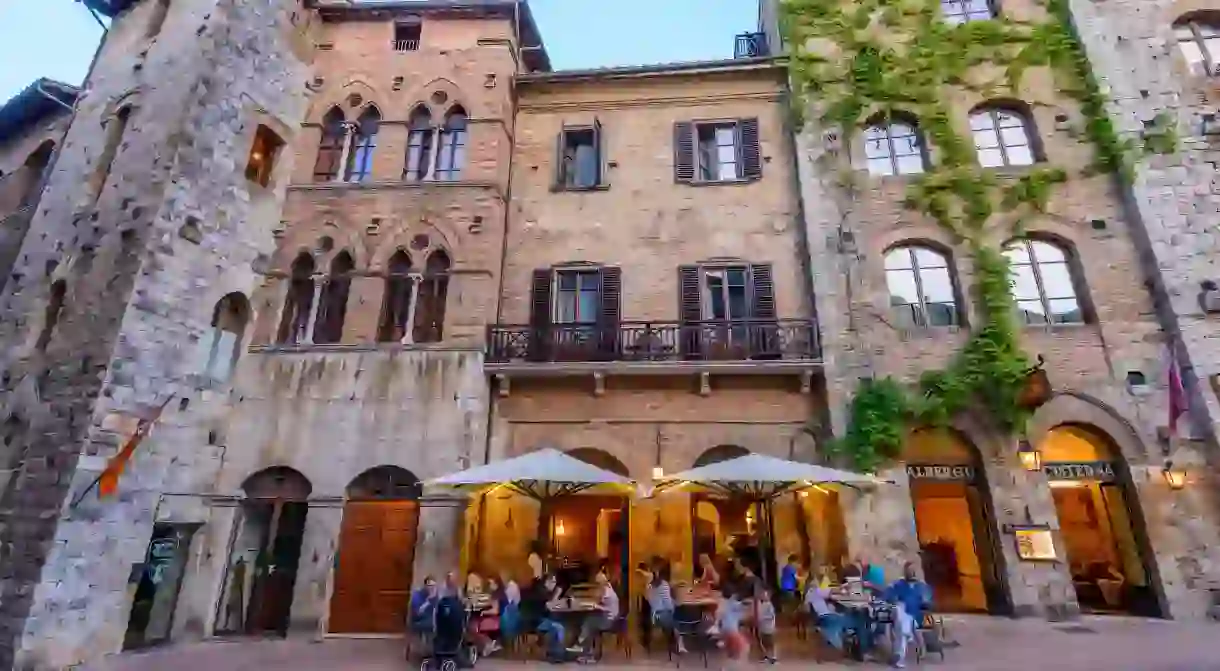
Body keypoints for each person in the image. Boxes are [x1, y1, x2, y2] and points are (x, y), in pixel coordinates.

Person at [884, 562, 932, 669]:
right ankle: (908, 635)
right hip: (899, 615)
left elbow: (928, 603)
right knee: (899, 609)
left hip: (915, 617)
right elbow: (887, 595)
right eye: (909, 570)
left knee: (903, 625)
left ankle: (899, 657)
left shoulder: (922, 586)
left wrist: (925, 601)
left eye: (913, 570)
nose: (912, 573)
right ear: (905, 572)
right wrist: (894, 599)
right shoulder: (898, 584)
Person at [570, 570, 619, 656]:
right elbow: (598, 601)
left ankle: (580, 645)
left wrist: (594, 605)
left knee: (589, 622)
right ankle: (586, 647)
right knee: (590, 618)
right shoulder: (608, 588)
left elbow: (600, 603)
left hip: (609, 620)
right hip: (611, 617)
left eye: (598, 582)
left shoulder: (605, 590)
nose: (597, 584)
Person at [524, 573, 567, 660]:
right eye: (553, 582)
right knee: (558, 627)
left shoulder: (543, 591)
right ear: (547, 582)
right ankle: (556, 654)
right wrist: (557, 594)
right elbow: (550, 606)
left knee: (558, 623)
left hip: (538, 619)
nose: (554, 584)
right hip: (536, 622)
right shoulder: (541, 592)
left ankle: (555, 651)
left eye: (555, 582)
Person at [647, 561, 686, 654]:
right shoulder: (663, 585)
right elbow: (668, 605)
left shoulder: (650, 584)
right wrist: (677, 604)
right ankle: (679, 645)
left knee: (676, 615)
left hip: (653, 615)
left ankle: (676, 643)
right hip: (661, 615)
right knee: (680, 617)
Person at [805, 570, 847, 651]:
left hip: (818, 617)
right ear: (813, 583)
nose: (818, 582)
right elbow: (833, 591)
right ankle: (833, 636)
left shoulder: (809, 593)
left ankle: (833, 635)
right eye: (816, 581)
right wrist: (844, 588)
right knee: (844, 619)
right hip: (825, 616)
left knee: (840, 616)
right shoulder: (817, 591)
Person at [715, 584, 750, 667]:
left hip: (723, 630)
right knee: (744, 648)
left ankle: (724, 666)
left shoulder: (721, 603)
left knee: (728, 650)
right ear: (733, 595)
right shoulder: (734, 604)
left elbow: (718, 615)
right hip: (732, 630)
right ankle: (735, 665)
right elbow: (744, 612)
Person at [469, 577, 501, 656]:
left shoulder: (495, 595)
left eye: (491, 584)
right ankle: (486, 644)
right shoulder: (489, 595)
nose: (489, 586)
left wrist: (483, 612)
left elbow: (495, 610)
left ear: (496, 585)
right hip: (488, 617)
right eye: (488, 584)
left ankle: (488, 643)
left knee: (474, 626)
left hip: (494, 619)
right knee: (473, 624)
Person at [756, 588, 778, 664]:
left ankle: (773, 657)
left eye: (765, 595)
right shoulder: (762, 605)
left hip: (769, 627)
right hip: (763, 627)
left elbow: (771, 616)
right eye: (762, 594)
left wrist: (763, 618)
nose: (763, 596)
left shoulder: (769, 605)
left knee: (771, 642)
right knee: (764, 642)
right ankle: (767, 656)